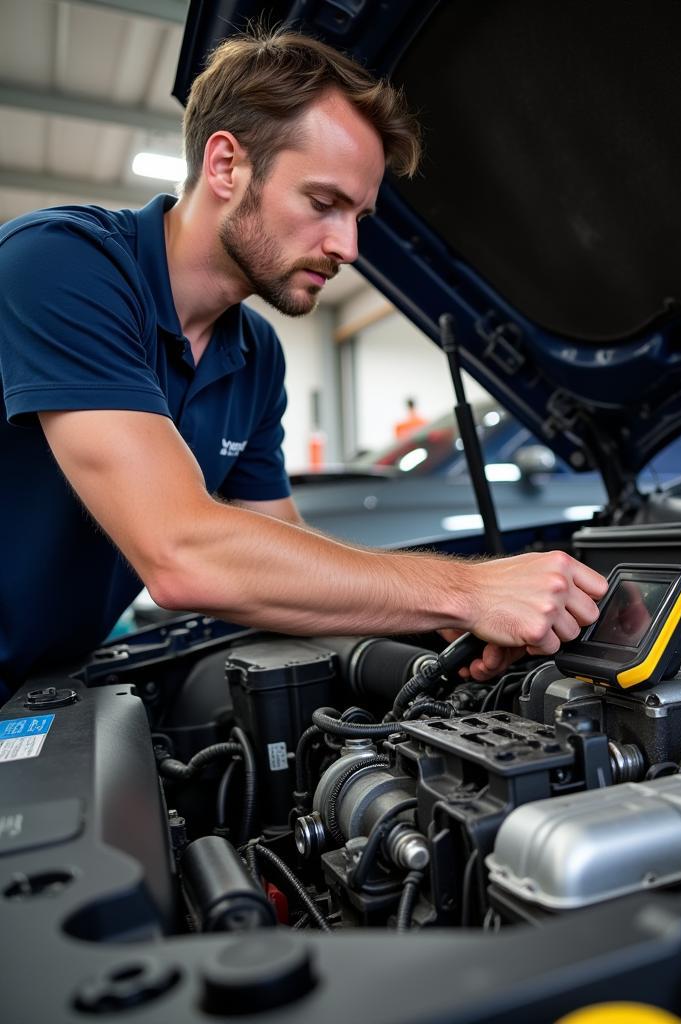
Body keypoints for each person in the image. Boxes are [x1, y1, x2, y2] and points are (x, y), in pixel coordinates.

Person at [0, 30, 607, 702]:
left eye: (360, 216)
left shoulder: (255, 355)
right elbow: (182, 554)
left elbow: (277, 544)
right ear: (227, 165)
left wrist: (436, 621)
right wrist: (464, 591)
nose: (347, 246)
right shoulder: (61, 263)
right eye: (323, 204)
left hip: (46, 686)